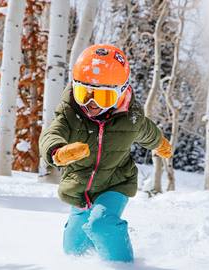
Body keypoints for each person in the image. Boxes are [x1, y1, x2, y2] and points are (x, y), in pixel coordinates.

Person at [40, 44, 172, 262]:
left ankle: (123, 265)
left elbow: (147, 131)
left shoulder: (131, 119)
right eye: (84, 93)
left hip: (116, 182)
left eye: (102, 98)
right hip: (79, 188)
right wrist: (57, 151)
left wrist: (160, 144)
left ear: (120, 94)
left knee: (102, 224)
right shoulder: (70, 113)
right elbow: (52, 133)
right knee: (74, 249)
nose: (91, 104)